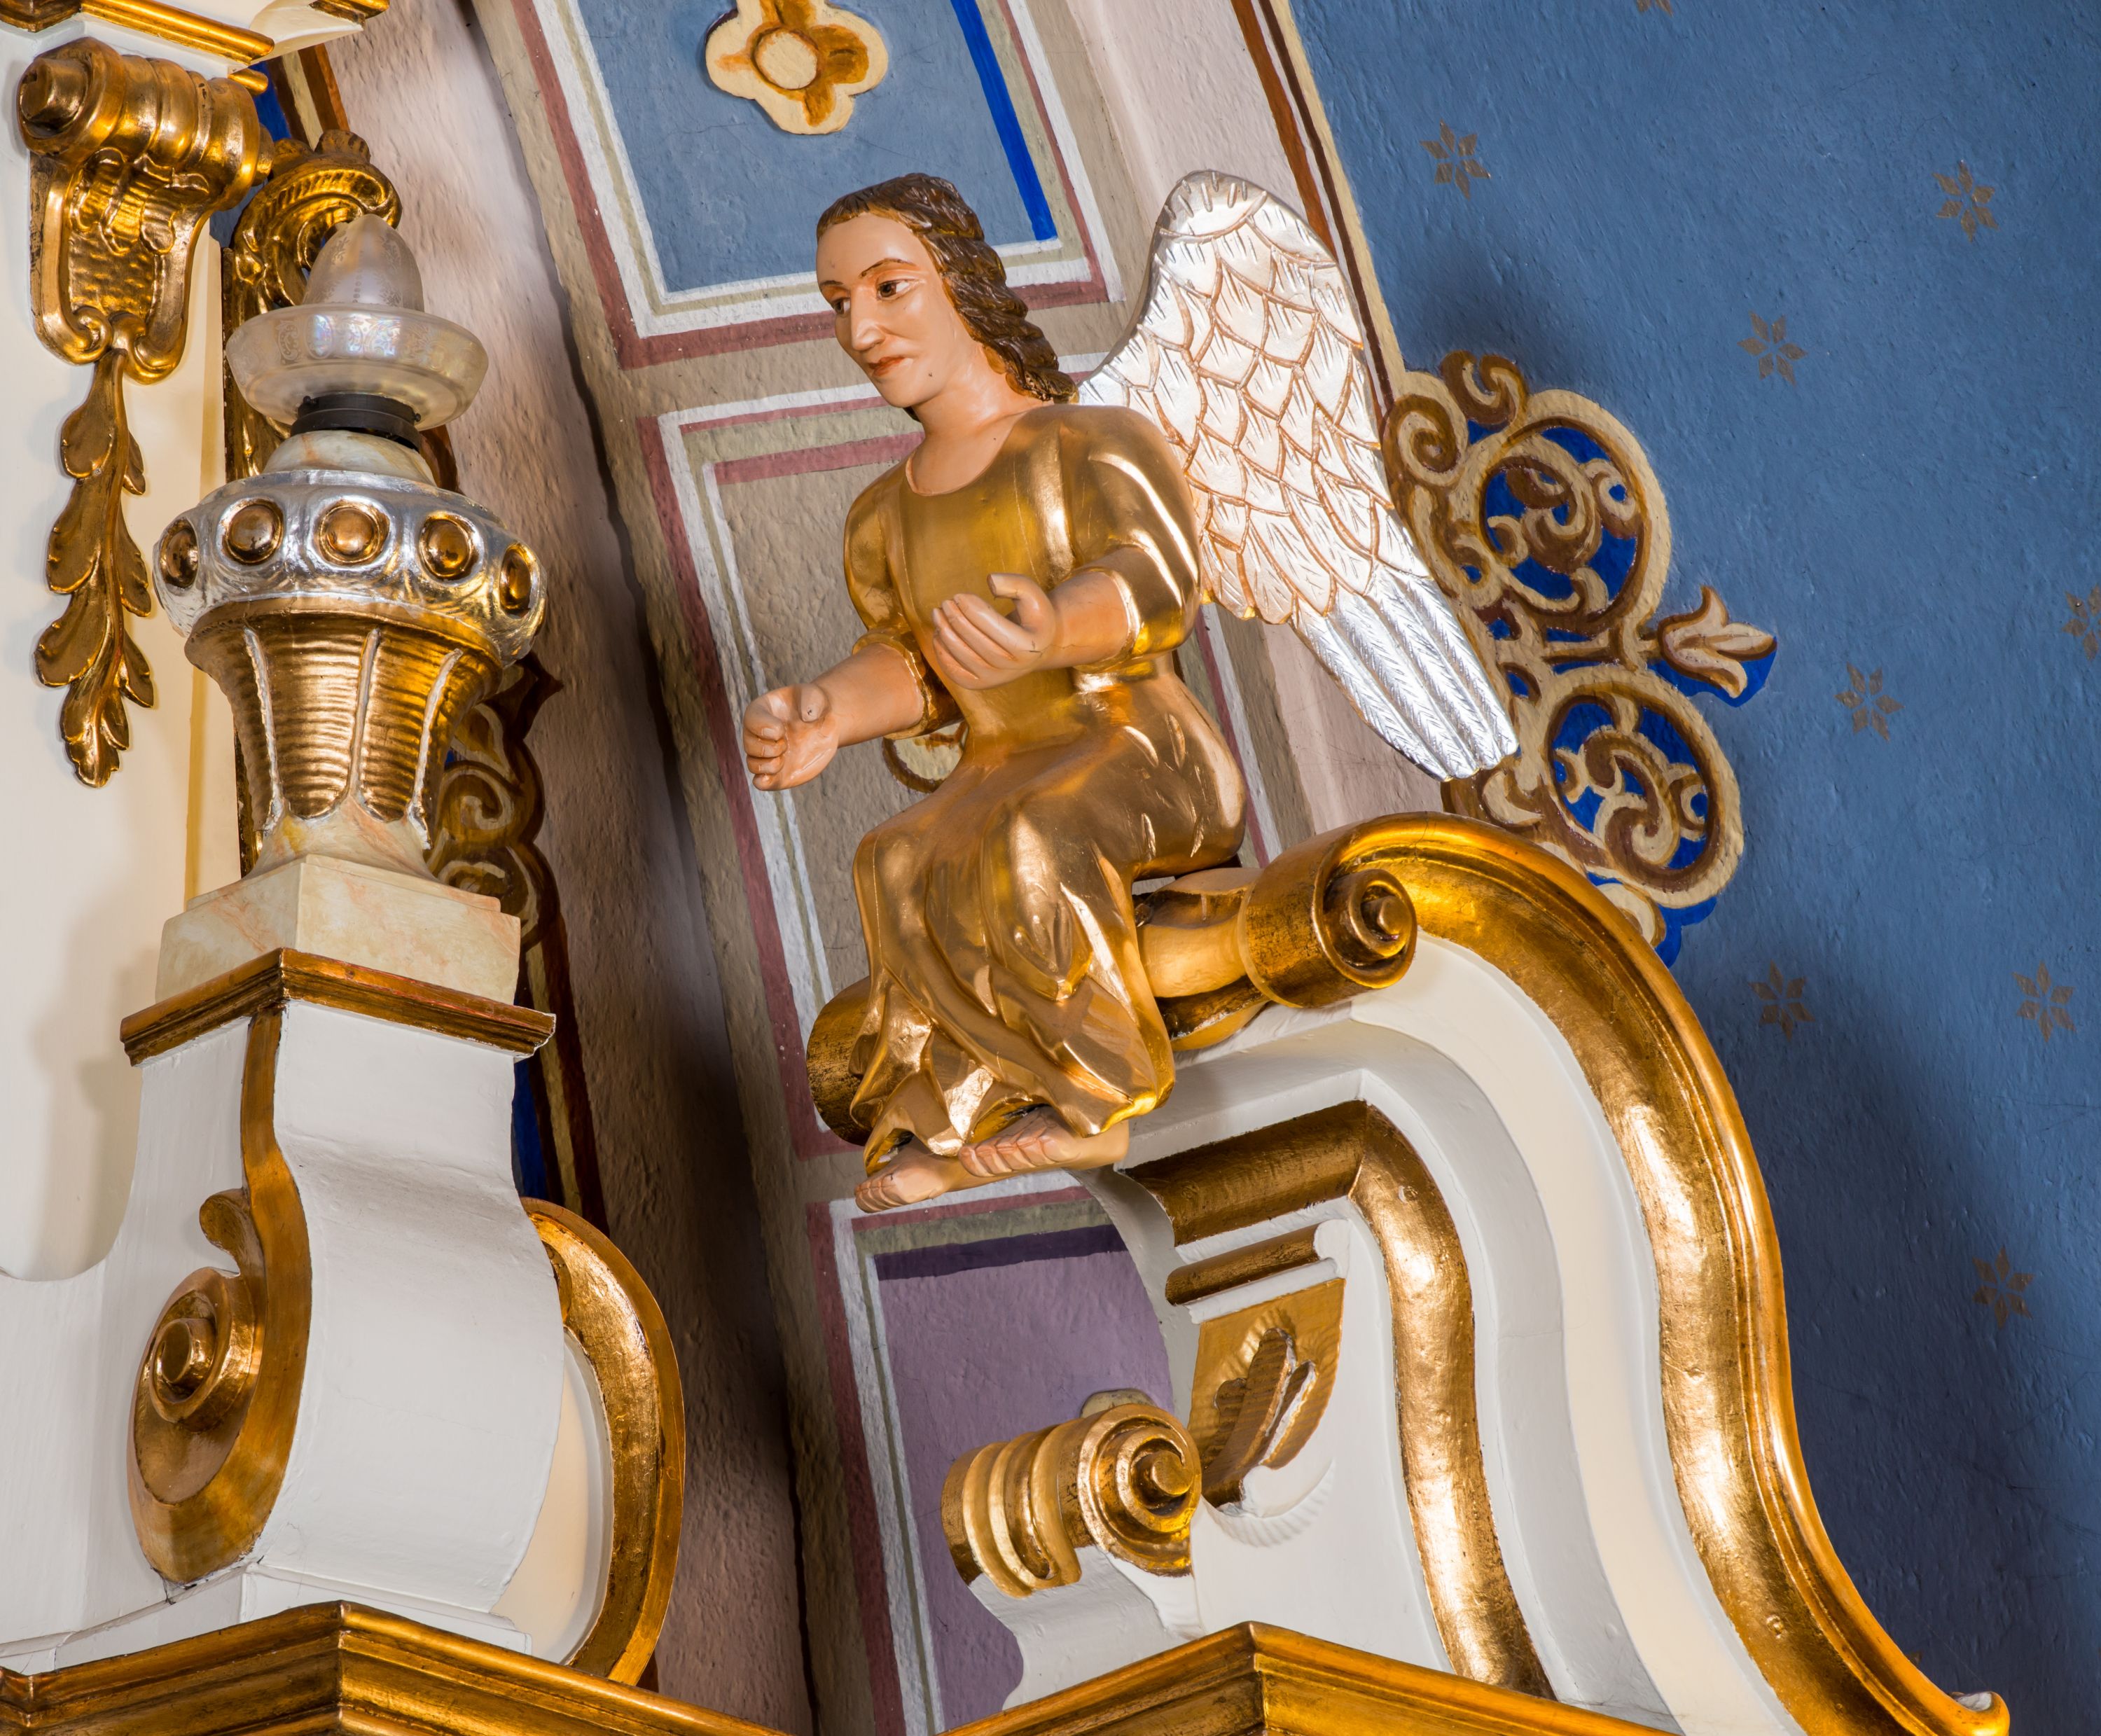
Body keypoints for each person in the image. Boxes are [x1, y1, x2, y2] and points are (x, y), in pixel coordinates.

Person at [742, 174, 1244, 1213]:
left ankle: (1100, 1092)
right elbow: (915, 664)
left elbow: (1158, 578)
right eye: (839, 303)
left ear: (960, 283)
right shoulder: (883, 515)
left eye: (889, 288)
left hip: (1139, 752)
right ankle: (959, 1118)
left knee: (1029, 840)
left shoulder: (1087, 443)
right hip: (1001, 763)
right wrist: (828, 712)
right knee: (894, 858)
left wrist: (1054, 627)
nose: (862, 330)